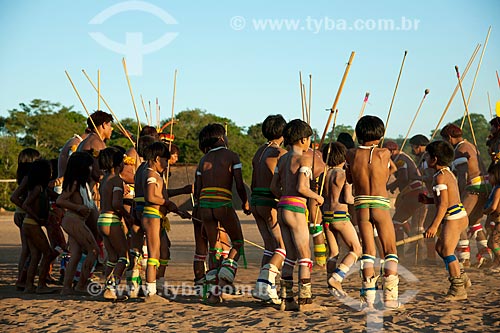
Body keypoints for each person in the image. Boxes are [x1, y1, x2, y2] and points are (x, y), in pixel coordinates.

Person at [345, 115, 399, 309]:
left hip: (360, 204)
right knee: (390, 250)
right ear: (380, 133)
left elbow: (350, 178)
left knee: (368, 251)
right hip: (379, 203)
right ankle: (390, 298)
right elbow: (389, 172)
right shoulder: (384, 153)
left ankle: (368, 299)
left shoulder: (350, 154)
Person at [270, 119, 324, 311]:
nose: (309, 142)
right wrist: (317, 196)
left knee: (289, 256)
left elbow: (273, 187)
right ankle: (305, 302)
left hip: (282, 207)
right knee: (304, 255)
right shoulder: (305, 158)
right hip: (296, 208)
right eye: (309, 139)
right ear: (303, 139)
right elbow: (302, 187)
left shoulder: (282, 159)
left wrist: (284, 197)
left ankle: (286, 300)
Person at [195, 123, 251, 304]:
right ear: (221, 138)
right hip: (223, 204)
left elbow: (197, 190)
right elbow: (239, 184)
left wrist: (198, 210)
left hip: (205, 206)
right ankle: (225, 275)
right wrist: (245, 201)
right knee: (238, 242)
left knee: (214, 248)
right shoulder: (231, 156)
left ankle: (213, 294)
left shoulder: (203, 160)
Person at [422, 140, 469, 300]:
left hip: (453, 217)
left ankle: (458, 288)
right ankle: (461, 277)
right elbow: (444, 200)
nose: (425, 158)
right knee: (441, 248)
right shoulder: (445, 173)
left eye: (427, 156)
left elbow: (443, 205)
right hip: (457, 215)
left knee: (447, 251)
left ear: (434, 159)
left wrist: (434, 226)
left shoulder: (440, 178)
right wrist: (428, 200)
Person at [440, 123, 492, 267]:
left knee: (459, 222)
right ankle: (485, 254)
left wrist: (459, 194)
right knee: (474, 222)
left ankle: (464, 258)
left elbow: (463, 175)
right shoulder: (470, 145)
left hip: (473, 188)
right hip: (485, 186)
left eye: (445, 141)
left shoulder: (460, 150)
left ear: (449, 138)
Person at [141, 141, 187, 301]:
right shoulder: (151, 175)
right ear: (157, 158)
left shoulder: (155, 175)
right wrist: (167, 203)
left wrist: (179, 211)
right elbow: (151, 197)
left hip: (159, 217)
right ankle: (150, 292)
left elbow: (162, 196)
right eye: (166, 161)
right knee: (153, 255)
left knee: (164, 251)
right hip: (152, 216)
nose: (167, 165)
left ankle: (158, 286)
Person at [250, 115, 287, 304]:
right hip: (269, 201)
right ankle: (265, 282)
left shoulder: (259, 151)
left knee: (269, 247)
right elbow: (278, 181)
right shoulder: (278, 152)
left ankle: (262, 288)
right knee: (283, 246)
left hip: (256, 200)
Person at [321, 142, 362, 297]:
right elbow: (347, 198)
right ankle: (337, 278)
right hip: (340, 216)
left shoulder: (324, 175)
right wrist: (359, 200)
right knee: (356, 249)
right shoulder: (343, 174)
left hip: (326, 216)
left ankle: (331, 287)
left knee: (333, 252)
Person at [56, 152, 100, 295]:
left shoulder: (83, 184)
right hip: (73, 219)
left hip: (76, 220)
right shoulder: (74, 183)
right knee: (93, 250)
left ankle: (67, 287)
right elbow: (60, 200)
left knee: (76, 254)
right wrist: (78, 208)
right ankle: (81, 285)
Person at [98, 147, 133, 300]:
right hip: (112, 220)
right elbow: (117, 204)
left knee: (112, 257)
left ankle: (108, 288)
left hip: (101, 219)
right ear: (120, 164)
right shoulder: (117, 180)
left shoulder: (104, 179)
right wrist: (127, 216)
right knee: (124, 257)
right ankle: (111, 288)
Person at [384, 140, 426, 259]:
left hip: (414, 192)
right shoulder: (398, 158)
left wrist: (391, 185)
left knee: (396, 222)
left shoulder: (400, 159)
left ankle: (400, 253)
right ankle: (415, 245)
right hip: (416, 192)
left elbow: (404, 177)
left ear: (392, 151)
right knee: (405, 220)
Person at [21, 159, 58, 293]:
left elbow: (57, 197)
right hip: (32, 224)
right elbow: (26, 204)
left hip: (29, 224)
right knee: (48, 253)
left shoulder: (43, 188)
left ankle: (29, 285)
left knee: (36, 255)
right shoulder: (37, 188)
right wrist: (37, 218)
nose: (52, 173)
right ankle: (41, 285)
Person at [10, 148, 41, 290]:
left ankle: (21, 279)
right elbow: (14, 198)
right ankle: (22, 280)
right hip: (23, 215)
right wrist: (27, 208)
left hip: (20, 214)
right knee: (29, 250)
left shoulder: (23, 176)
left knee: (26, 249)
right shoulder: (28, 177)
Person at [410, 134, 438, 264]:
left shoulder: (428, 159)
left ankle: (432, 258)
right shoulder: (424, 159)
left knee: (429, 226)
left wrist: (417, 178)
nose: (412, 151)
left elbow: (432, 178)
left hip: (436, 195)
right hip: (433, 196)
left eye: (413, 148)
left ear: (419, 146)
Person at [483, 162, 500, 272]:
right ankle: (497, 262)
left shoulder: (498, 189)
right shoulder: (495, 188)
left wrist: (485, 211)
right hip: (497, 219)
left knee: (493, 243)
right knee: (491, 243)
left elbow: (493, 207)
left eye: (491, 175)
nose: (489, 178)